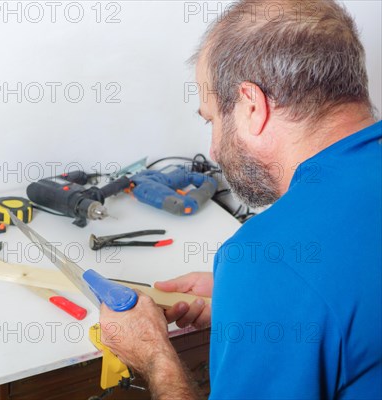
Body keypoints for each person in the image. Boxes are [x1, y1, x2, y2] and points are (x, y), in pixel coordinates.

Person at [99, 0, 381, 398]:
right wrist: (253, 302)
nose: (213, 150)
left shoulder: (272, 261)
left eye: (212, 119)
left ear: (252, 106)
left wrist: (153, 355)